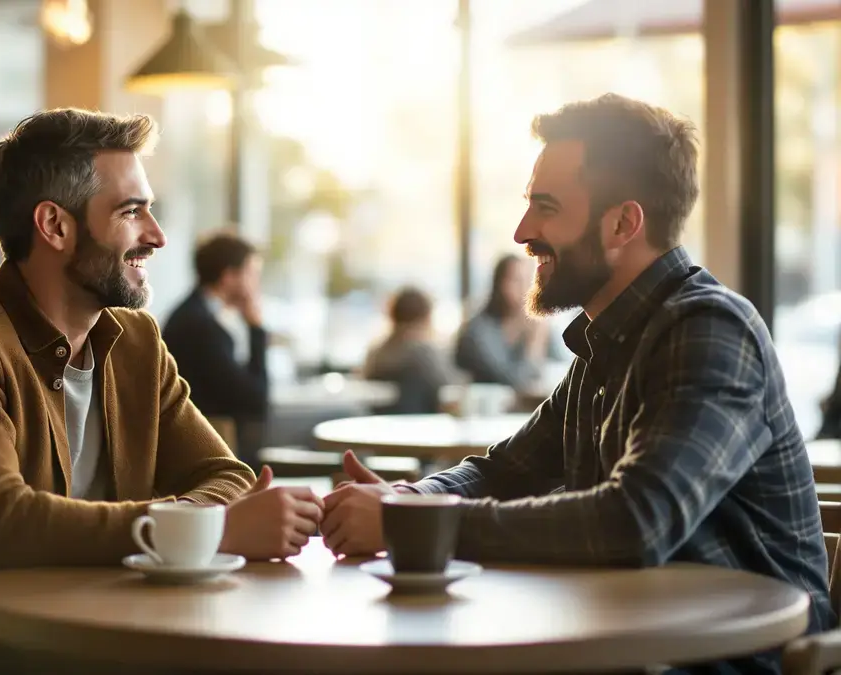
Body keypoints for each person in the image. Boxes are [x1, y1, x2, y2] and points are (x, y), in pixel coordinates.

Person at [321, 93, 833, 673]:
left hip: (735, 660)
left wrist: (411, 527)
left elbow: (635, 523)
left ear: (622, 222)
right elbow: (503, 470)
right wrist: (411, 499)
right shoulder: (607, 340)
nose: (521, 231)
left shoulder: (709, 329)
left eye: (545, 207)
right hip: (635, 639)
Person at [0, 108, 323, 585]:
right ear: (55, 225)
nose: (156, 236)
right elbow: (1, 525)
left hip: (110, 630)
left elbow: (227, 475)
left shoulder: (137, 343)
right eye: (131, 211)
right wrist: (204, 529)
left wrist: (194, 524)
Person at [163, 232, 269, 463]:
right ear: (229, 277)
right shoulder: (200, 325)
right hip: (200, 454)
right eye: (252, 274)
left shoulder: (196, 314)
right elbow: (254, 399)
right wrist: (256, 329)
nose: (257, 284)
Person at [454, 254, 553, 391]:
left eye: (529, 281)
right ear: (499, 284)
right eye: (517, 281)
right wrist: (535, 343)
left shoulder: (534, 323)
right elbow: (513, 382)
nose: (525, 289)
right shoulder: (477, 332)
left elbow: (562, 368)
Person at [362, 286, 451, 414]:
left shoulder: (376, 353)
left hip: (379, 428)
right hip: (422, 426)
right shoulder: (425, 353)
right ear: (427, 317)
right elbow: (448, 389)